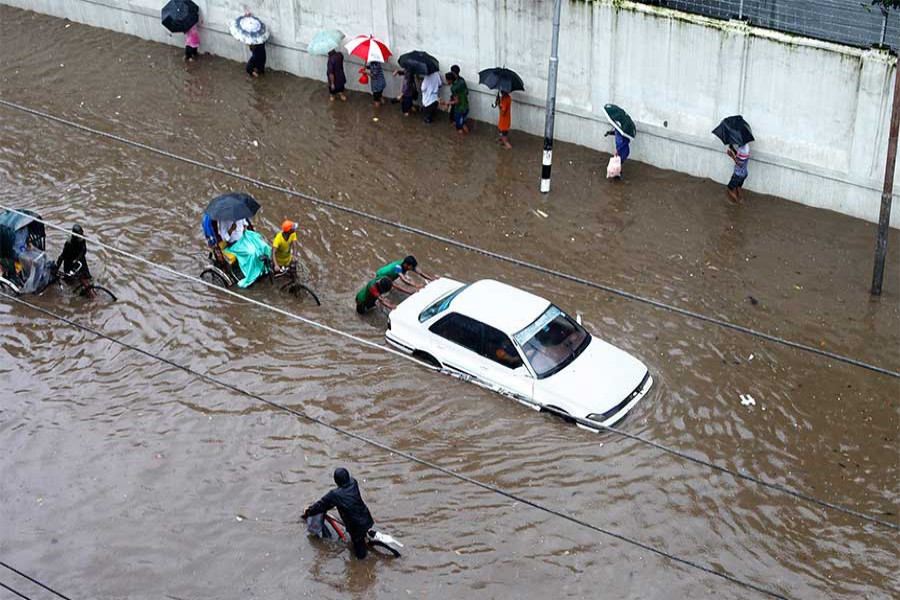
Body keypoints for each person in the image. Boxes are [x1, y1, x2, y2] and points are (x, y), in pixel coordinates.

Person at [302, 468, 375, 560]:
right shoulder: (353, 482)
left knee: (360, 557)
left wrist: (308, 511)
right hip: (366, 517)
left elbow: (320, 505)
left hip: (356, 527)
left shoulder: (335, 494)